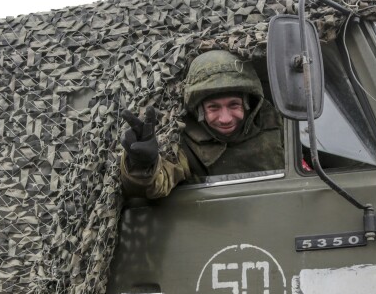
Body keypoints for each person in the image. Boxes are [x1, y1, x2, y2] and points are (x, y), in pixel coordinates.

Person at [120, 50, 284, 199]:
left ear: (248, 105)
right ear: (199, 110)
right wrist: (142, 165)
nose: (225, 118)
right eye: (213, 107)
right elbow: (157, 184)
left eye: (234, 105)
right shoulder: (186, 144)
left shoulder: (277, 125)